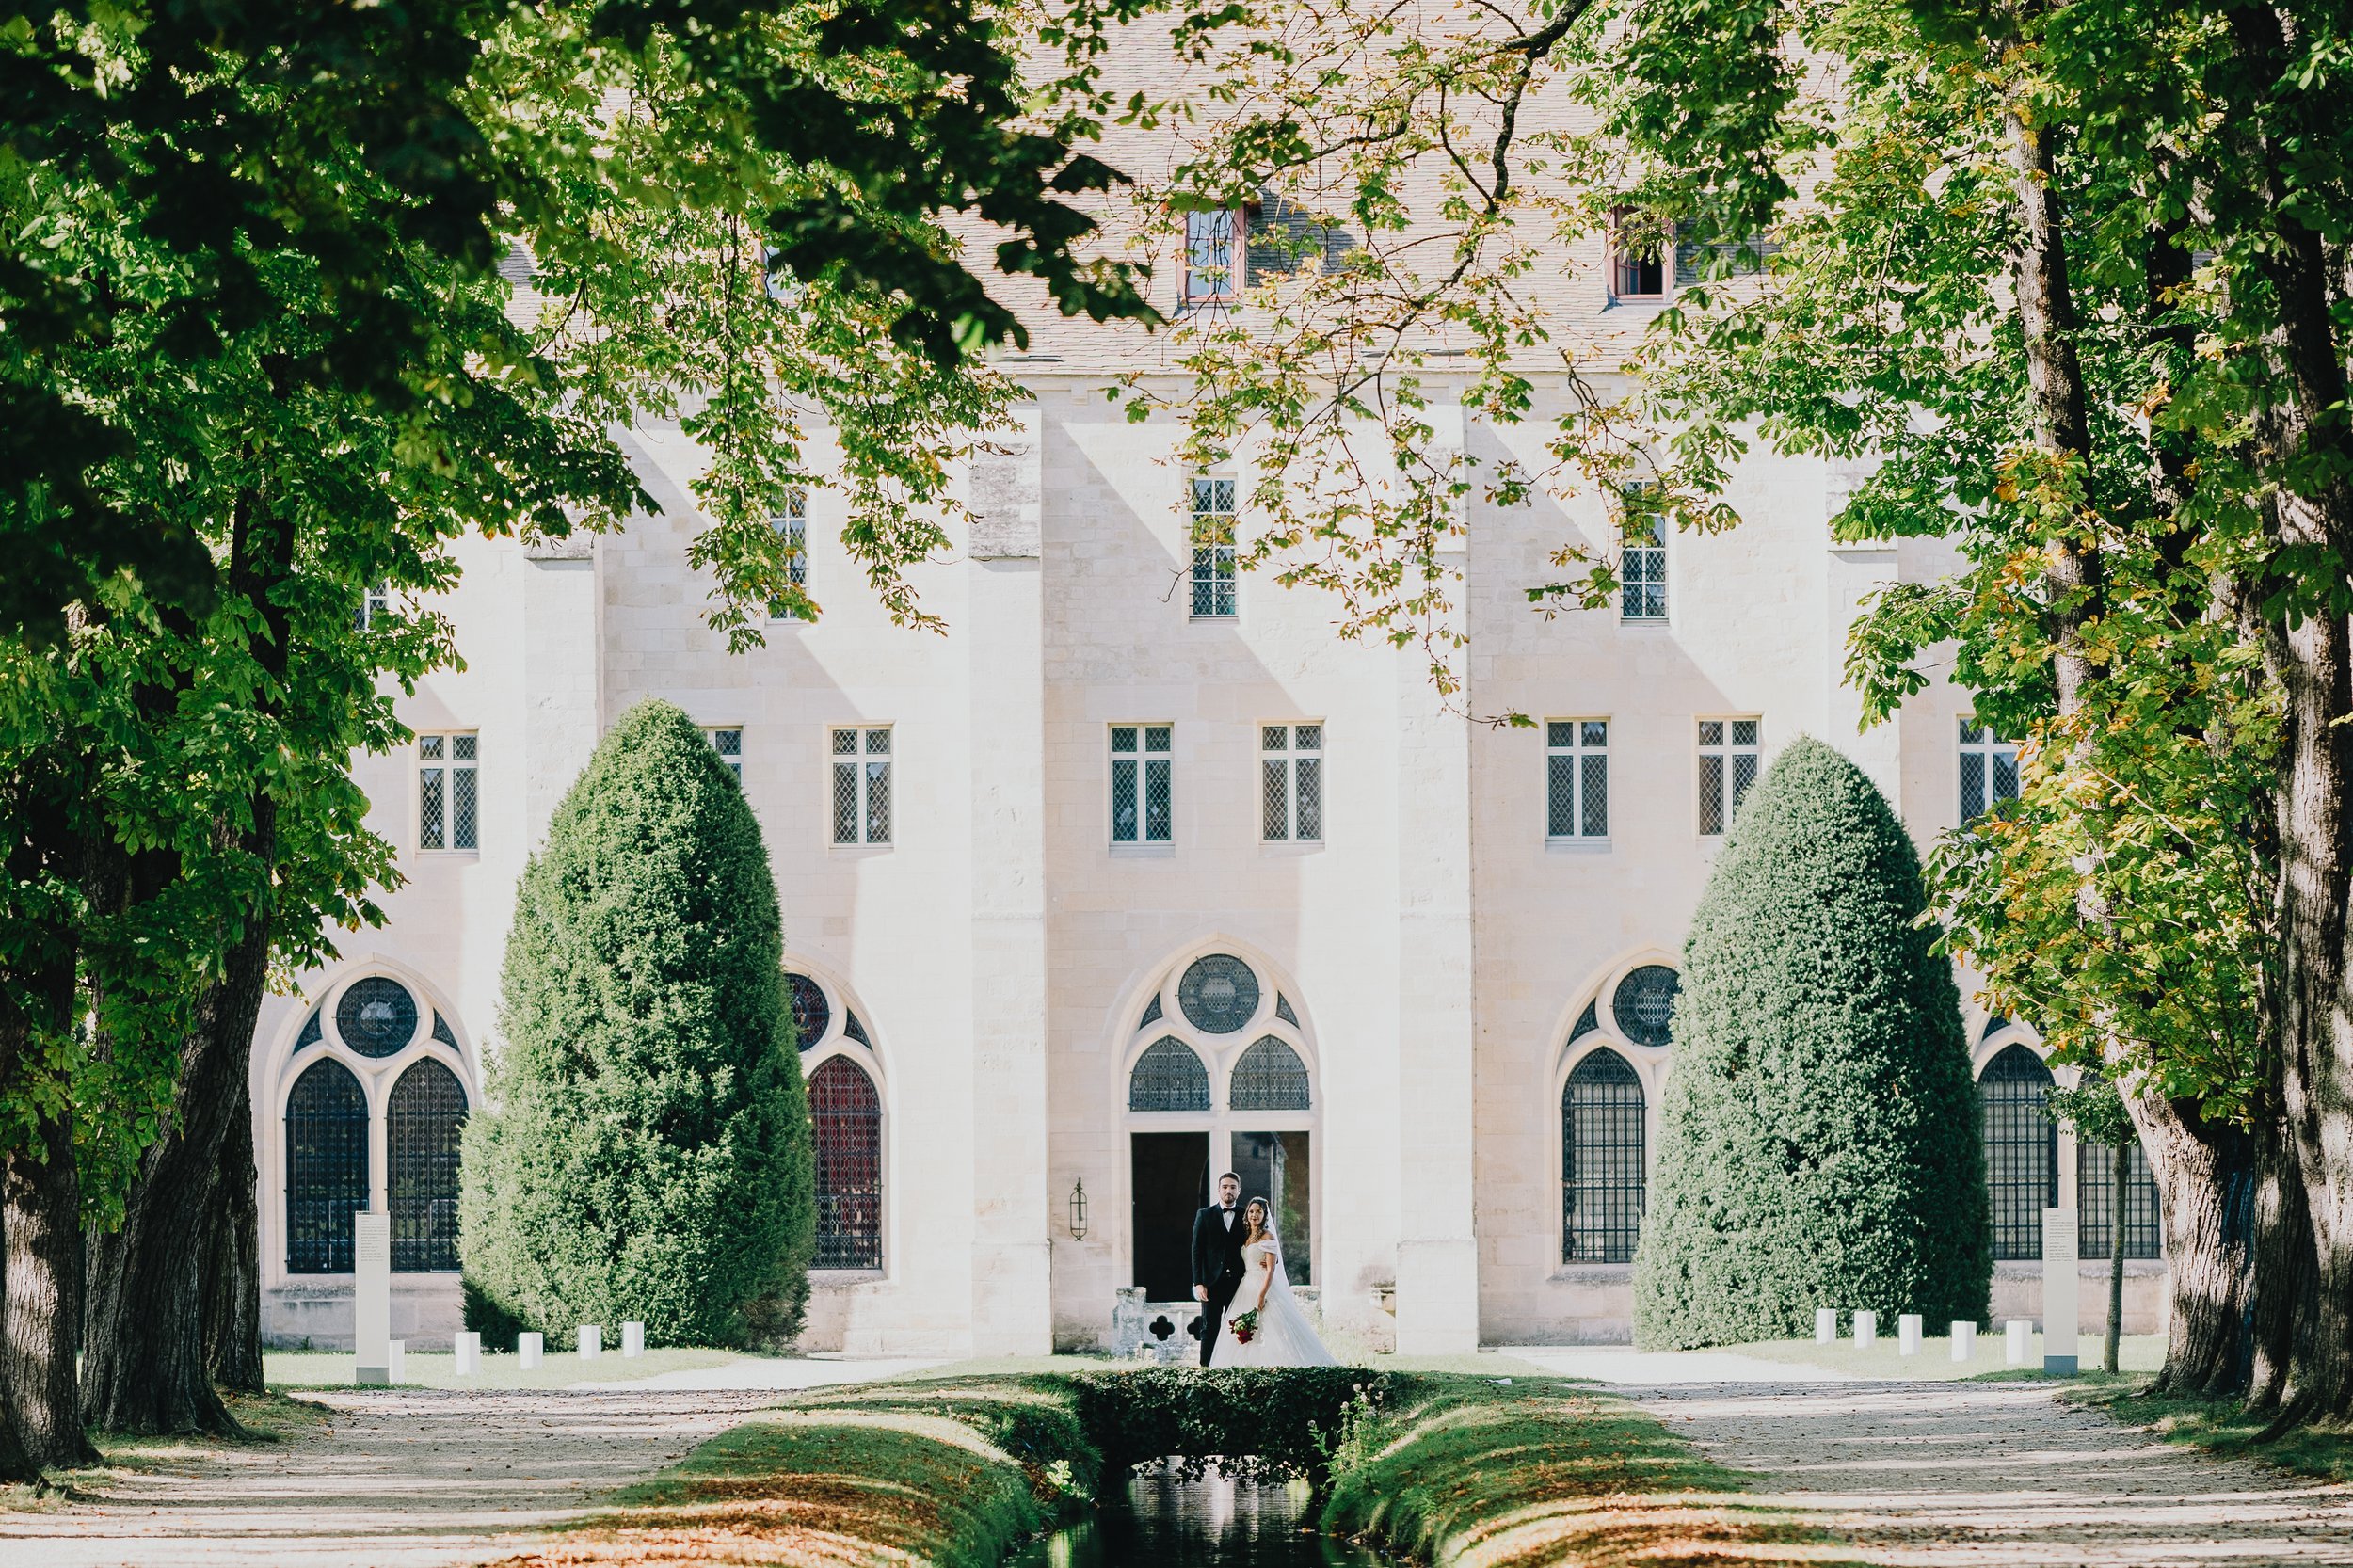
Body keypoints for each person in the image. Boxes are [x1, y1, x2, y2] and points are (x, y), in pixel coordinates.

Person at [1209, 1197, 1335, 1367]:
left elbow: (1270, 1269)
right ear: (1247, 1214)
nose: (1254, 1215)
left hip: (1263, 1285)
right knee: (1248, 1328)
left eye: (1258, 1212)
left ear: (1264, 1215)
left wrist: (1261, 1295)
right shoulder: (1248, 1236)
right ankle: (1249, 1364)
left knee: (1272, 1327)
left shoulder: (1268, 1237)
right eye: (1251, 1211)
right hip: (1246, 1286)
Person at [1191, 1172, 1247, 1367]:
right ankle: (1206, 1369)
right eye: (1225, 1187)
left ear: (1239, 1191)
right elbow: (1196, 1251)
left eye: (1232, 1187)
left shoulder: (1246, 1215)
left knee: (1239, 1326)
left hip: (1239, 1283)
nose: (1228, 1191)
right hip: (1212, 1283)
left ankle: (1236, 1366)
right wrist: (1198, 1282)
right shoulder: (1204, 1215)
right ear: (1218, 1190)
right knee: (1209, 1328)